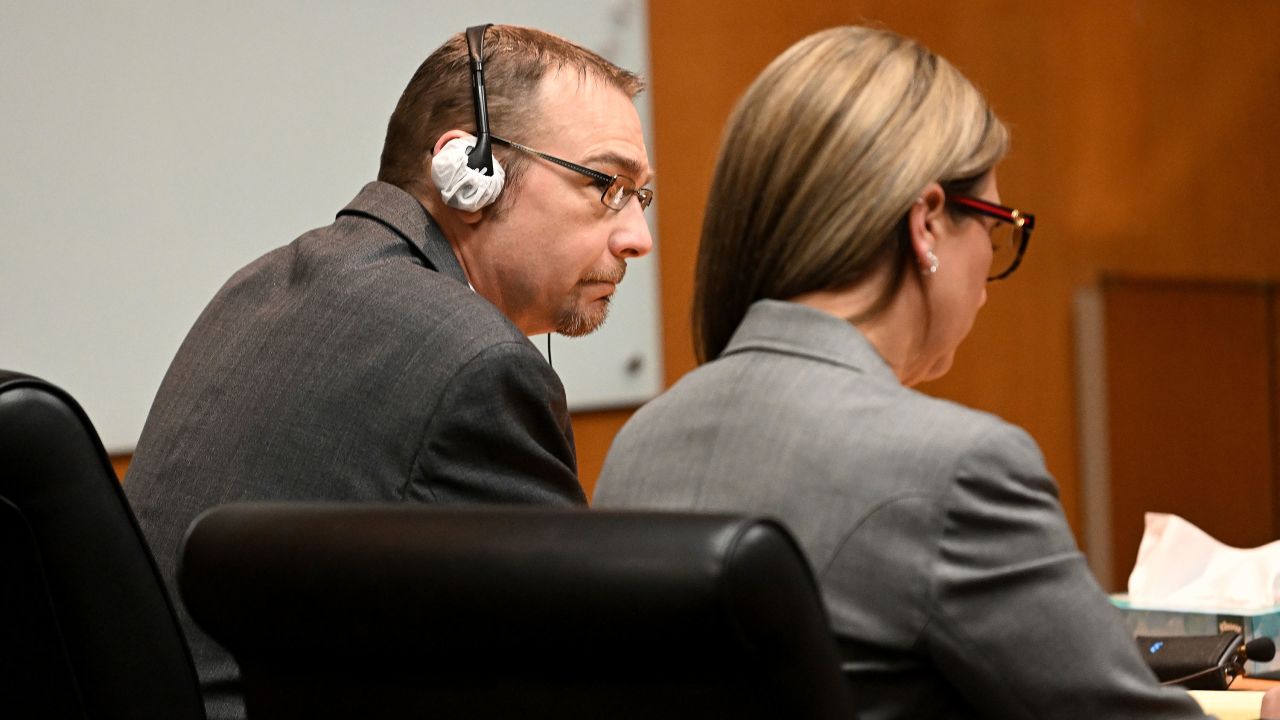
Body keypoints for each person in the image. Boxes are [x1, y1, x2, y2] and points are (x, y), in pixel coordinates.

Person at [594, 26, 1208, 719]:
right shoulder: (962, 468)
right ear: (927, 222)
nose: (991, 265)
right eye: (997, 223)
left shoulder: (638, 447)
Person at [125, 24, 653, 719]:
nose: (638, 239)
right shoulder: (478, 365)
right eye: (607, 184)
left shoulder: (259, 286)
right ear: (469, 169)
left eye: (640, 197)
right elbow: (579, 680)